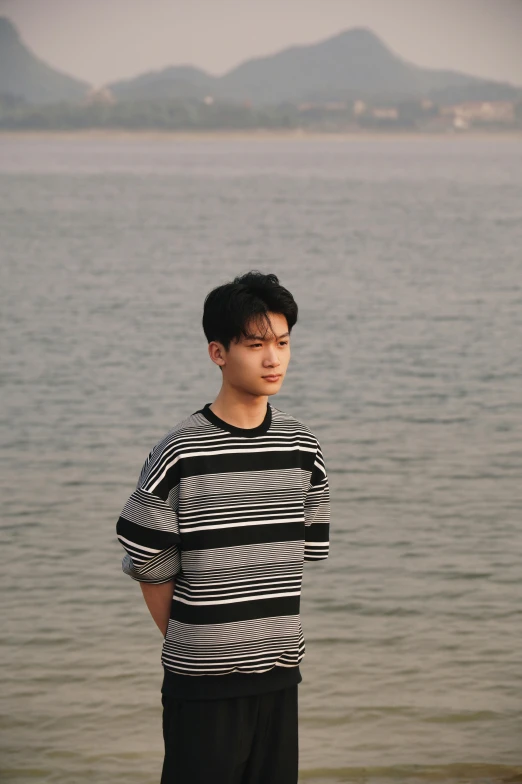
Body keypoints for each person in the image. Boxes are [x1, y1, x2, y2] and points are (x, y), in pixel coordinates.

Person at [116, 271, 331, 784]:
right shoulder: (179, 451)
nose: (273, 358)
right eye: (255, 344)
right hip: (202, 685)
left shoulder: (303, 449)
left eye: (282, 343)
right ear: (218, 352)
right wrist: (197, 641)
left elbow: (303, 554)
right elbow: (148, 563)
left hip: (281, 674)